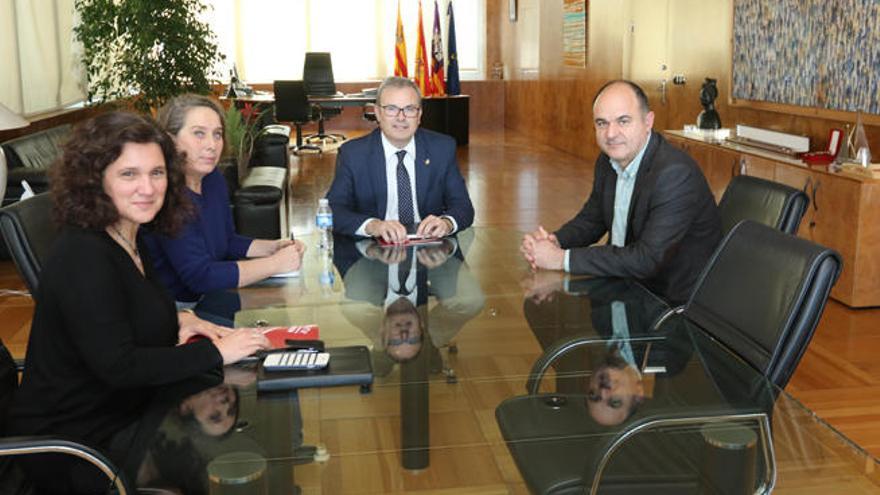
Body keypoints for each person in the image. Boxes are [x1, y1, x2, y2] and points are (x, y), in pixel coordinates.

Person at [8, 111, 271, 493]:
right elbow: (120, 366)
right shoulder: (83, 254)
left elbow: (125, 312)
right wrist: (217, 351)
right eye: (129, 174)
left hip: (126, 408)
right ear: (95, 182)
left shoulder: (130, 234)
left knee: (242, 402)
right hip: (78, 442)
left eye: (157, 173)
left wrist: (180, 319)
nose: (147, 188)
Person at [521, 80, 721, 303]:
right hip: (624, 284)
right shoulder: (608, 160)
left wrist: (561, 259)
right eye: (601, 123)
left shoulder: (674, 174)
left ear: (648, 122)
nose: (610, 134)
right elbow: (593, 219)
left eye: (623, 121)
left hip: (667, 302)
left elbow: (647, 259)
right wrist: (555, 241)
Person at [144, 94, 304, 304]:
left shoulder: (212, 179)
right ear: (170, 140)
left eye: (217, 134)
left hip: (216, 297)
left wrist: (271, 247)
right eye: (199, 134)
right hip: (181, 312)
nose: (212, 144)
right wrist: (275, 264)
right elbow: (200, 277)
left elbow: (227, 241)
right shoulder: (166, 196)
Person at [326, 76, 475, 243]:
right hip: (373, 253)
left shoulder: (442, 148)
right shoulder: (353, 154)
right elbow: (332, 210)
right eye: (391, 108)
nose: (401, 117)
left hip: (430, 250)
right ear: (377, 113)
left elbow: (463, 207)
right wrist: (373, 226)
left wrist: (446, 223)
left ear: (419, 115)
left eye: (410, 109)